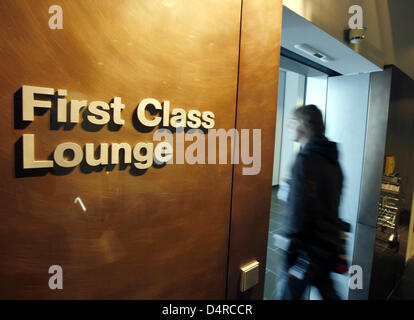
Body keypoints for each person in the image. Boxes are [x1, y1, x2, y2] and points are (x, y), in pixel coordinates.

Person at [275, 104, 347, 300]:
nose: (289, 126)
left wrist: (291, 253)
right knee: (329, 293)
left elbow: (298, 212)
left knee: (285, 295)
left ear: (304, 126)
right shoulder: (332, 160)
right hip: (326, 246)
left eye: (293, 122)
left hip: (304, 252)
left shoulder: (305, 160)